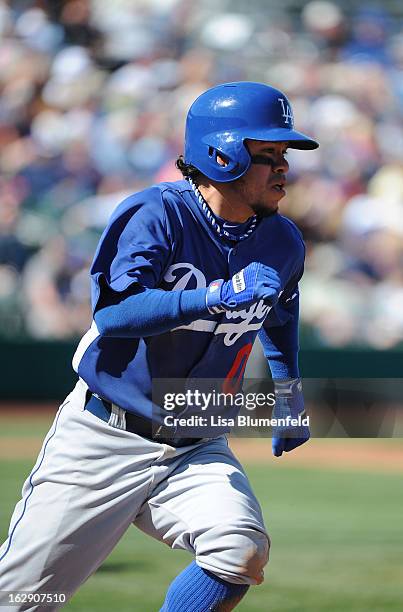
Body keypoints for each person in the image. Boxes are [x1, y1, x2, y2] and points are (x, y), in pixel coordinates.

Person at [0, 81, 318, 611]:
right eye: (269, 156)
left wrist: (289, 394)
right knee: (24, 599)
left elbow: (280, 317)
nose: (284, 168)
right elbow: (115, 314)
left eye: (285, 155)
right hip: (106, 435)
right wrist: (219, 294)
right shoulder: (156, 214)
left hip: (196, 439)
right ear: (221, 155)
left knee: (238, 549)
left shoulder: (281, 239)